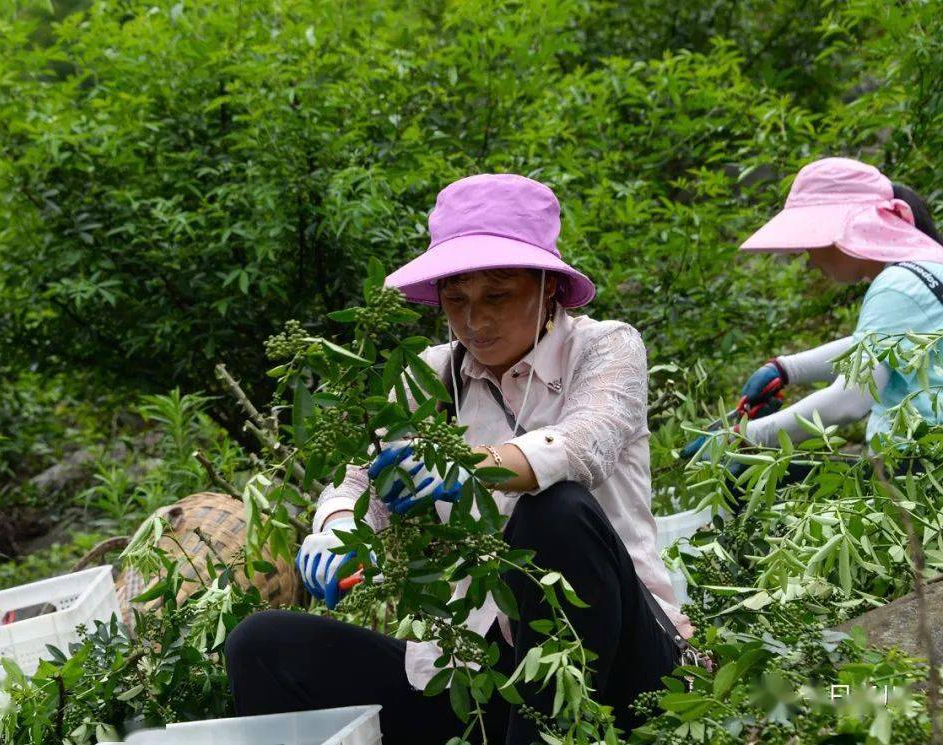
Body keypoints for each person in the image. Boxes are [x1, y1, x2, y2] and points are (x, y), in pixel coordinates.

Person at [224, 174, 694, 743]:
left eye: (498, 297)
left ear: (547, 287)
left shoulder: (604, 347)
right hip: (480, 672)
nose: (475, 322)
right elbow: (360, 481)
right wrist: (338, 526)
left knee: (554, 511)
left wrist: (467, 465)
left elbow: (584, 443)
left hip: (618, 664)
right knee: (263, 645)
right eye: (456, 300)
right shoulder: (431, 376)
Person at [683, 157, 943, 469]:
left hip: (919, 471)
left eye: (813, 241)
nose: (810, 259)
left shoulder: (896, 285)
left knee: (764, 482)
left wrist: (744, 436)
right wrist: (785, 369)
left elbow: (850, 400)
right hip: (925, 466)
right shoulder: (926, 269)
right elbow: (882, 344)